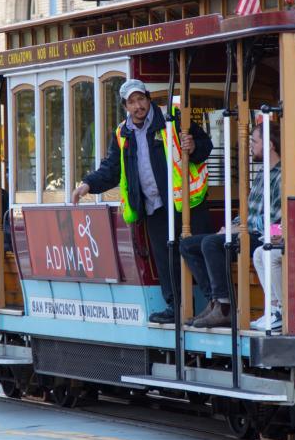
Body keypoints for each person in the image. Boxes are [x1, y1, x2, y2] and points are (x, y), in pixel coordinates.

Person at [72, 79, 212, 324]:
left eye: (141, 99)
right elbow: (112, 169)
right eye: (132, 102)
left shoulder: (173, 121)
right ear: (125, 106)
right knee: (165, 257)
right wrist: (88, 185)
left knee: (199, 252)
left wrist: (194, 145)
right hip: (154, 207)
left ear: (148, 99)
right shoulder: (122, 133)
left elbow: (204, 146)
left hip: (187, 203)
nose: (138, 106)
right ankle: (175, 307)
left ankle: (215, 304)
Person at [181, 121, 281, 329]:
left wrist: (237, 229)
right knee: (187, 245)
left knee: (211, 244)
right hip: (247, 231)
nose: (251, 146)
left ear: (269, 144)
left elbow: (275, 222)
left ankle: (225, 307)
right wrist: (229, 227)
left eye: (254, 141)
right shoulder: (262, 173)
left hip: (263, 237)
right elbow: (248, 211)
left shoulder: (282, 176)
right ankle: (215, 301)